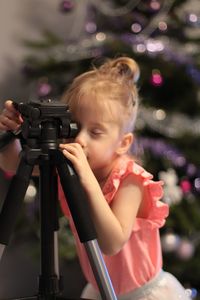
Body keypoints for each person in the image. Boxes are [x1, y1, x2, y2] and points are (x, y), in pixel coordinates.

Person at [0, 57, 192, 300]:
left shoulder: (130, 179)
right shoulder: (67, 162)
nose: (80, 139)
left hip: (144, 295)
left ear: (123, 143)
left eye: (96, 132)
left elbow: (111, 243)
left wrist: (87, 179)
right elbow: (12, 164)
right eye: (74, 127)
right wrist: (11, 134)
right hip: (101, 290)